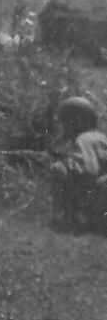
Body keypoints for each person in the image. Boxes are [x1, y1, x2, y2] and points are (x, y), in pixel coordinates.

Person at [51, 96, 107, 232]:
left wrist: (65, 163)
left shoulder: (84, 139)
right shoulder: (100, 137)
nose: (63, 127)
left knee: (58, 169)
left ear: (78, 122)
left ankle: (69, 220)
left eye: (65, 122)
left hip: (99, 197)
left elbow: (88, 170)